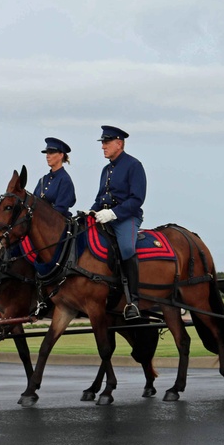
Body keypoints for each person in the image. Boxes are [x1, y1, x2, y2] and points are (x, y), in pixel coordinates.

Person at [91, 125, 147, 321]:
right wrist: (91, 212)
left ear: (119, 143)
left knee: (125, 248)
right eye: (102, 143)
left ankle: (133, 302)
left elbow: (137, 199)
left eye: (106, 142)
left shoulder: (134, 165)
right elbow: (100, 198)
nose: (103, 147)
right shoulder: (106, 169)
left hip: (126, 217)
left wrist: (113, 214)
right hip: (104, 217)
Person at [34, 137, 76, 218]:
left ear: (61, 155)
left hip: (56, 226)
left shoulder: (65, 180)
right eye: (47, 153)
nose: (47, 156)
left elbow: (60, 209)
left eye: (51, 153)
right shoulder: (43, 180)